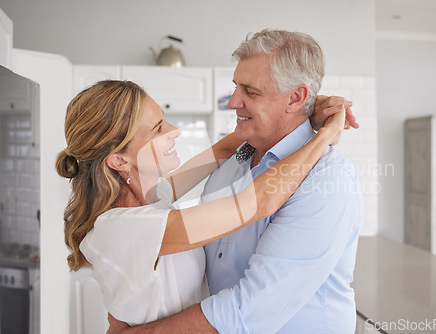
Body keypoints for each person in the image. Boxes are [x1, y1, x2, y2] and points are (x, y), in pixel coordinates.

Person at [109, 29, 363, 333]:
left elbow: (250, 310)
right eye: (236, 87)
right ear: (117, 162)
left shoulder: (327, 179)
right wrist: (317, 125)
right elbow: (256, 199)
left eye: (250, 92)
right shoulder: (228, 163)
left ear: (296, 97)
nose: (232, 102)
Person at [55, 78, 351, 327]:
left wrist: (299, 114)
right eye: (157, 129)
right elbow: (258, 201)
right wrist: (324, 136)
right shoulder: (122, 228)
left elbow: (223, 149)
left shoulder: (155, 198)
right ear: (119, 160)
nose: (174, 131)